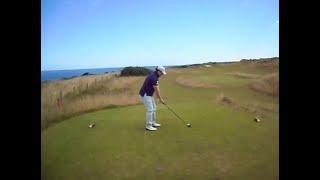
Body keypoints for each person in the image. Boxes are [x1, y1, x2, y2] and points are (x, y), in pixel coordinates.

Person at [139, 66, 166, 131]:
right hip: (145, 94)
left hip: (148, 94)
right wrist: (160, 99)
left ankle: (153, 123)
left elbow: (157, 87)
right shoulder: (153, 78)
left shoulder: (155, 76)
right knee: (150, 110)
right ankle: (148, 126)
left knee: (154, 107)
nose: (162, 74)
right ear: (158, 71)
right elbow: (156, 89)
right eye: (162, 73)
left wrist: (158, 98)